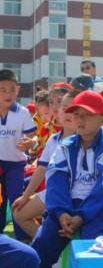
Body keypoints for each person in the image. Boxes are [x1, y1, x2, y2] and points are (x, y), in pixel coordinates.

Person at [31, 90, 103, 268]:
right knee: (42, 246)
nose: (80, 120)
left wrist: (81, 216)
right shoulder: (65, 146)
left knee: (92, 247)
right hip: (67, 203)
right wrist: (62, 213)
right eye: (77, 115)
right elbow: (56, 181)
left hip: (102, 205)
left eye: (87, 115)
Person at [12, 90, 78, 240]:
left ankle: (50, 246)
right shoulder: (53, 139)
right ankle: (43, 240)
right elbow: (41, 169)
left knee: (64, 225)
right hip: (51, 192)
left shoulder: (84, 140)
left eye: (72, 109)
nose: (67, 113)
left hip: (75, 195)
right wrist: (25, 197)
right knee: (19, 213)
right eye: (64, 108)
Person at [0, 69, 37, 240]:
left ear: (18, 90)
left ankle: (23, 237)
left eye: (12, 89)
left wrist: (30, 142)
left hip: (16, 164)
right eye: (3, 90)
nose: (8, 94)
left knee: (16, 199)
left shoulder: (23, 112)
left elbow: (33, 136)